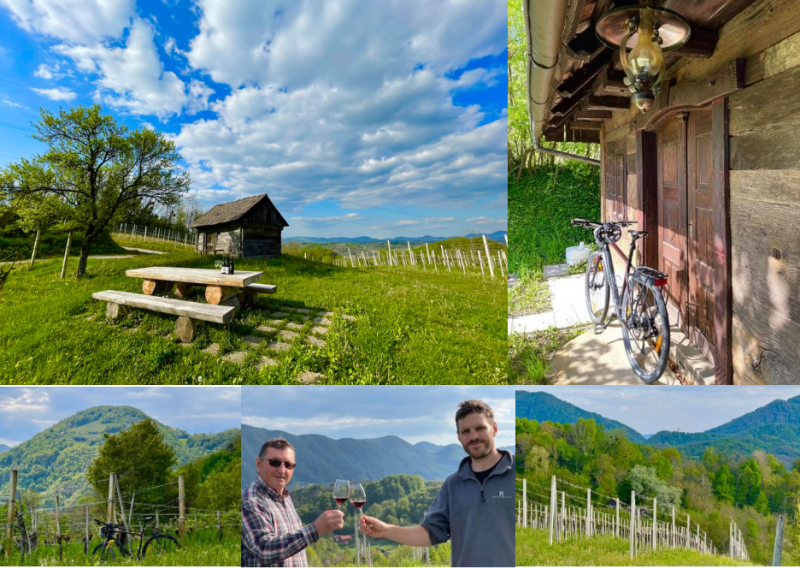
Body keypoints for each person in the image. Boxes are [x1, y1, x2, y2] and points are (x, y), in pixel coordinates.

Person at [359, 399, 515, 567]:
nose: (473, 436)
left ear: (495, 429)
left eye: (480, 428)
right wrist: (386, 530)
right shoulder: (452, 485)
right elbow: (430, 533)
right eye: (466, 431)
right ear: (459, 437)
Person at [242, 438, 345, 567]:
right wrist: (316, 529)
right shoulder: (250, 501)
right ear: (259, 464)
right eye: (275, 462)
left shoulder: (285, 497)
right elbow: (264, 550)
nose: (282, 470)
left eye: (288, 465)